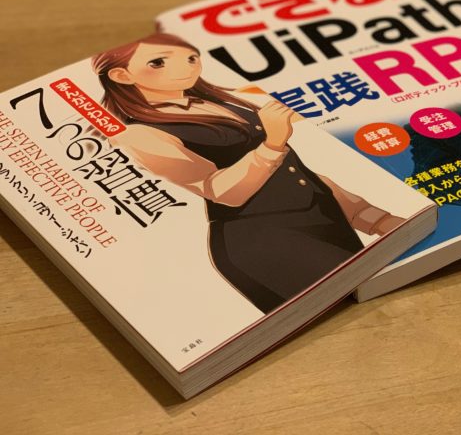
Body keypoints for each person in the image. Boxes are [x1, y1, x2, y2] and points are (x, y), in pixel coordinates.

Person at [92, 33, 403, 313]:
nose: (186, 69)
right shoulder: (140, 134)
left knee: (367, 296)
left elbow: (297, 172)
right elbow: (220, 191)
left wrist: (372, 217)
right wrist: (272, 143)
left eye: (191, 58)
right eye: (158, 62)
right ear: (121, 75)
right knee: (344, 313)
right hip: (264, 241)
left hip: (326, 218)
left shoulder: (221, 102)